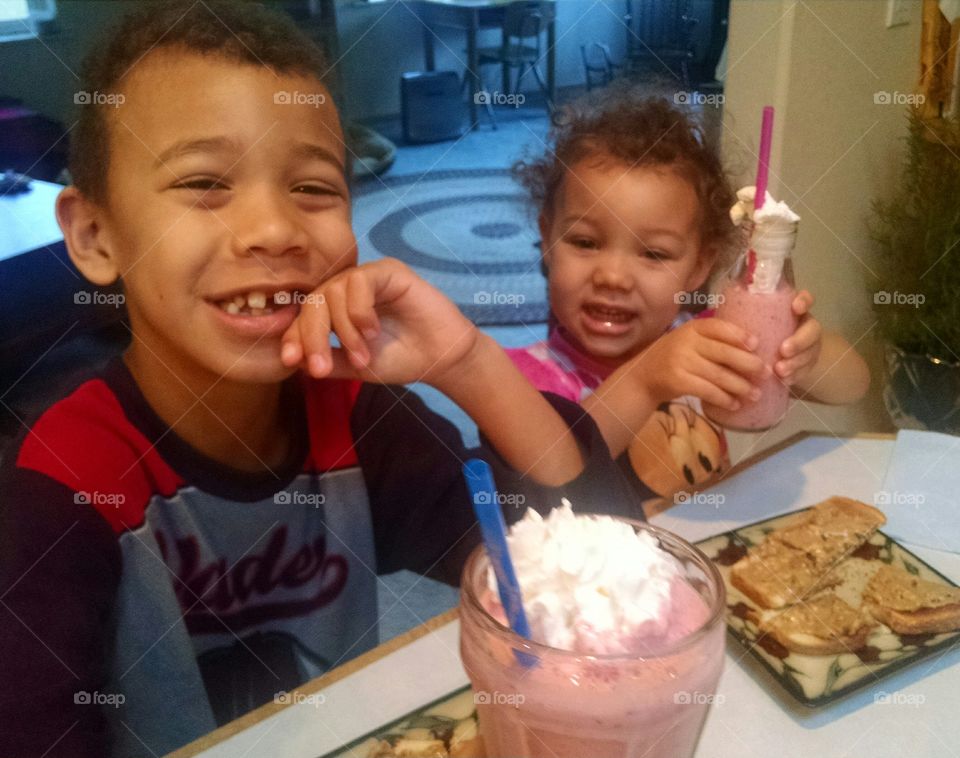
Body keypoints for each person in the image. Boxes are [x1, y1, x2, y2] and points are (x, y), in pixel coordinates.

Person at [0, 4, 641, 756]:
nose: (274, 229)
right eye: (205, 182)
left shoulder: (357, 420)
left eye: (312, 188)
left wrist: (468, 363)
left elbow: (589, 568)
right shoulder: (63, 486)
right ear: (95, 236)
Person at [508, 90, 870, 504]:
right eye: (585, 242)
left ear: (700, 266)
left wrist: (808, 357)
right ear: (548, 237)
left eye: (654, 254)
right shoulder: (520, 381)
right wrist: (647, 379)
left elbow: (854, 386)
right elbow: (547, 472)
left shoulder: (709, 342)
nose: (612, 276)